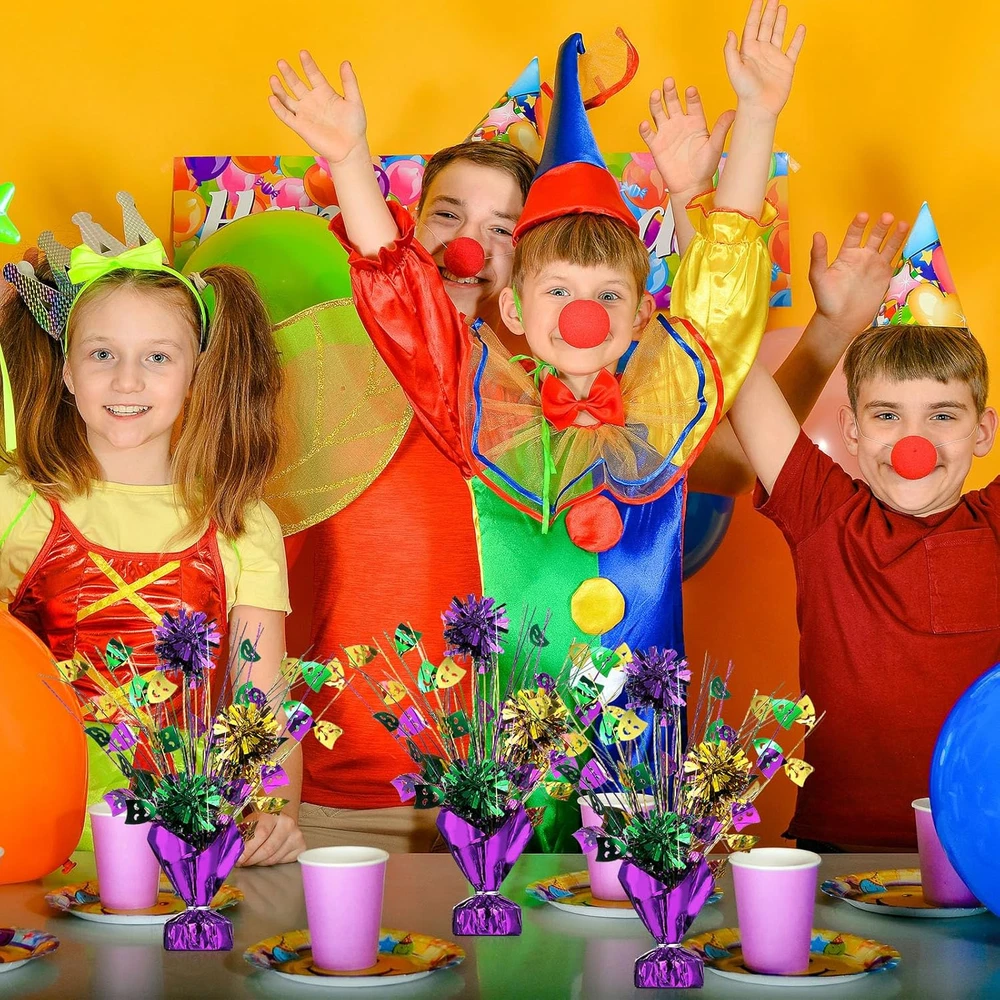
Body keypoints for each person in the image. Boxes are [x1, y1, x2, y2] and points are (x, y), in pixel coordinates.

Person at [271, 0, 802, 850]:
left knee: (634, 921)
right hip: (511, 771)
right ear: (516, 308)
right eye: (558, 290)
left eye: (608, 296)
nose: (583, 314)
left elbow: (724, 301)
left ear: (641, 317)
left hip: (640, 768)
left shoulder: (664, 408)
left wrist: (758, 118)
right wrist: (349, 161)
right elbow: (409, 310)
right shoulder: (485, 408)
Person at [1, 193, 301, 864]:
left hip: (185, 844)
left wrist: (272, 812)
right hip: (33, 837)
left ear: (195, 375)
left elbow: (262, 706)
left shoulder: (241, 521)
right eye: (102, 354)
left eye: (158, 357)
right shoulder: (14, 503)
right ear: (68, 372)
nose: (127, 380)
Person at [726, 202, 1000, 850]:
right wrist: (691, 204)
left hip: (984, 850)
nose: (912, 442)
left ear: (983, 432)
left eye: (942, 415)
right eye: (886, 415)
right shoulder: (823, 513)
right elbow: (729, 359)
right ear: (850, 431)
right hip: (841, 854)